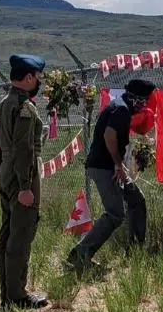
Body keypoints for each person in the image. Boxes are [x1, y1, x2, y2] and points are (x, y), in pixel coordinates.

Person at [66, 78, 155, 271]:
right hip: (104, 167)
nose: (146, 105)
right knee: (115, 213)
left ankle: (136, 251)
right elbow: (109, 136)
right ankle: (81, 254)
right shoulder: (121, 109)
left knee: (137, 199)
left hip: (109, 165)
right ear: (137, 99)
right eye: (145, 100)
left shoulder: (120, 107)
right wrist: (118, 165)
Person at [0, 54, 48, 309]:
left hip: (6, 172)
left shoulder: (3, 104)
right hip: (21, 175)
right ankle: (16, 296)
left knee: (7, 233)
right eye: (38, 77)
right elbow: (24, 149)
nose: (40, 82)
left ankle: (8, 291)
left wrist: (1, 175)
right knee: (21, 234)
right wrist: (25, 186)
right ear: (28, 78)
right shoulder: (25, 107)